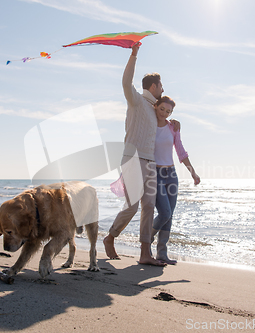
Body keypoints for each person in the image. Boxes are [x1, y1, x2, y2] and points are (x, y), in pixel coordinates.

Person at [103, 42, 179, 266]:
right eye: (161, 86)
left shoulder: (157, 111)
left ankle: (145, 254)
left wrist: (175, 122)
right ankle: (111, 236)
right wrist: (134, 55)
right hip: (132, 158)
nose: (163, 90)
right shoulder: (136, 101)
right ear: (153, 86)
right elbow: (126, 82)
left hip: (151, 163)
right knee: (133, 205)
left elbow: (165, 125)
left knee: (148, 206)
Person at [151, 96, 200, 265]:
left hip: (171, 174)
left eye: (168, 111)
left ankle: (162, 254)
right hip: (154, 174)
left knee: (169, 215)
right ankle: (146, 241)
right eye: (162, 109)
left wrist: (193, 173)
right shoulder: (148, 124)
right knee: (165, 212)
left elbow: (181, 151)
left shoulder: (173, 128)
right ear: (155, 106)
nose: (164, 113)